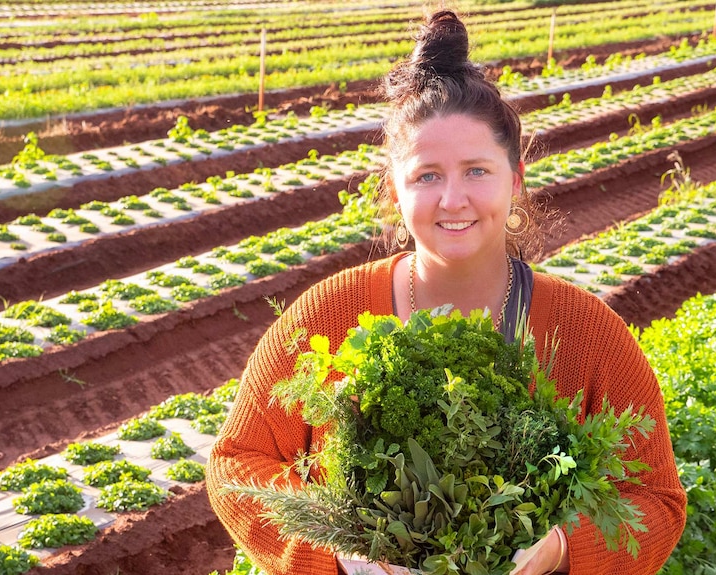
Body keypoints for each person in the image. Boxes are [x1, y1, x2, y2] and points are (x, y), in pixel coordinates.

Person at [206, 9, 686, 575]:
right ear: (395, 190)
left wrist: (560, 547)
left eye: (477, 171)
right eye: (427, 175)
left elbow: (657, 499)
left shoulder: (583, 332)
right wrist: (338, 552)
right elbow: (236, 464)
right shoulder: (330, 315)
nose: (452, 199)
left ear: (516, 179)